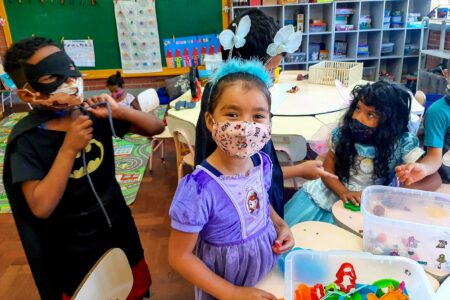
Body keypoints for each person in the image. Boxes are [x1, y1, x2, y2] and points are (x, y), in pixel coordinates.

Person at [3, 37, 165, 299]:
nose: (69, 82)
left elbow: (156, 128)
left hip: (119, 232)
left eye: (70, 70)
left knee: (133, 289)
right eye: (50, 77)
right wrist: (68, 149)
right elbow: (40, 206)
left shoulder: (93, 114)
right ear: (26, 94)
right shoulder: (28, 141)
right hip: (73, 250)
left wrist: (120, 112)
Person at [169, 59, 294, 300]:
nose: (245, 126)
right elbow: (179, 257)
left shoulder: (261, 164)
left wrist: (280, 225)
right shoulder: (199, 189)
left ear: (269, 123)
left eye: (258, 116)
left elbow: (259, 202)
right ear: (209, 121)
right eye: (232, 114)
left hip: (267, 268)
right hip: (227, 284)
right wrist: (233, 292)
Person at [195, 9, 334, 218]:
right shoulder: (232, 123)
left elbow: (254, 172)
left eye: (260, 115)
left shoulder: (220, 95)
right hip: (243, 213)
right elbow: (244, 177)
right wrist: (298, 170)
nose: (273, 80)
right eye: (270, 71)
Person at [284, 81, 425, 225]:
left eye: (370, 114)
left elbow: (425, 177)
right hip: (332, 195)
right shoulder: (341, 135)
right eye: (358, 108)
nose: (357, 117)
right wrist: (343, 192)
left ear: (390, 121)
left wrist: (403, 184)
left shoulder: (402, 142)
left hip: (375, 204)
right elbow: (327, 171)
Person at [395, 63, 450, 190]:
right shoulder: (438, 112)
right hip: (445, 184)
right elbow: (433, 157)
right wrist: (424, 168)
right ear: (446, 74)